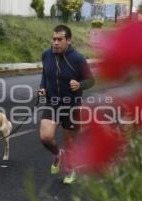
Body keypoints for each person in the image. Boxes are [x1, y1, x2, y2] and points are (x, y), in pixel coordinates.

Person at [38, 25, 94, 184]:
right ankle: (58, 154)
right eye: (54, 39)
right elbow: (45, 75)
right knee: (45, 138)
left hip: (72, 105)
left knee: (70, 143)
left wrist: (80, 85)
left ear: (68, 41)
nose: (55, 42)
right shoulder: (46, 55)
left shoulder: (78, 58)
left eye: (59, 39)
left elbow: (91, 80)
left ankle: (70, 168)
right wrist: (42, 88)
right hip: (53, 103)